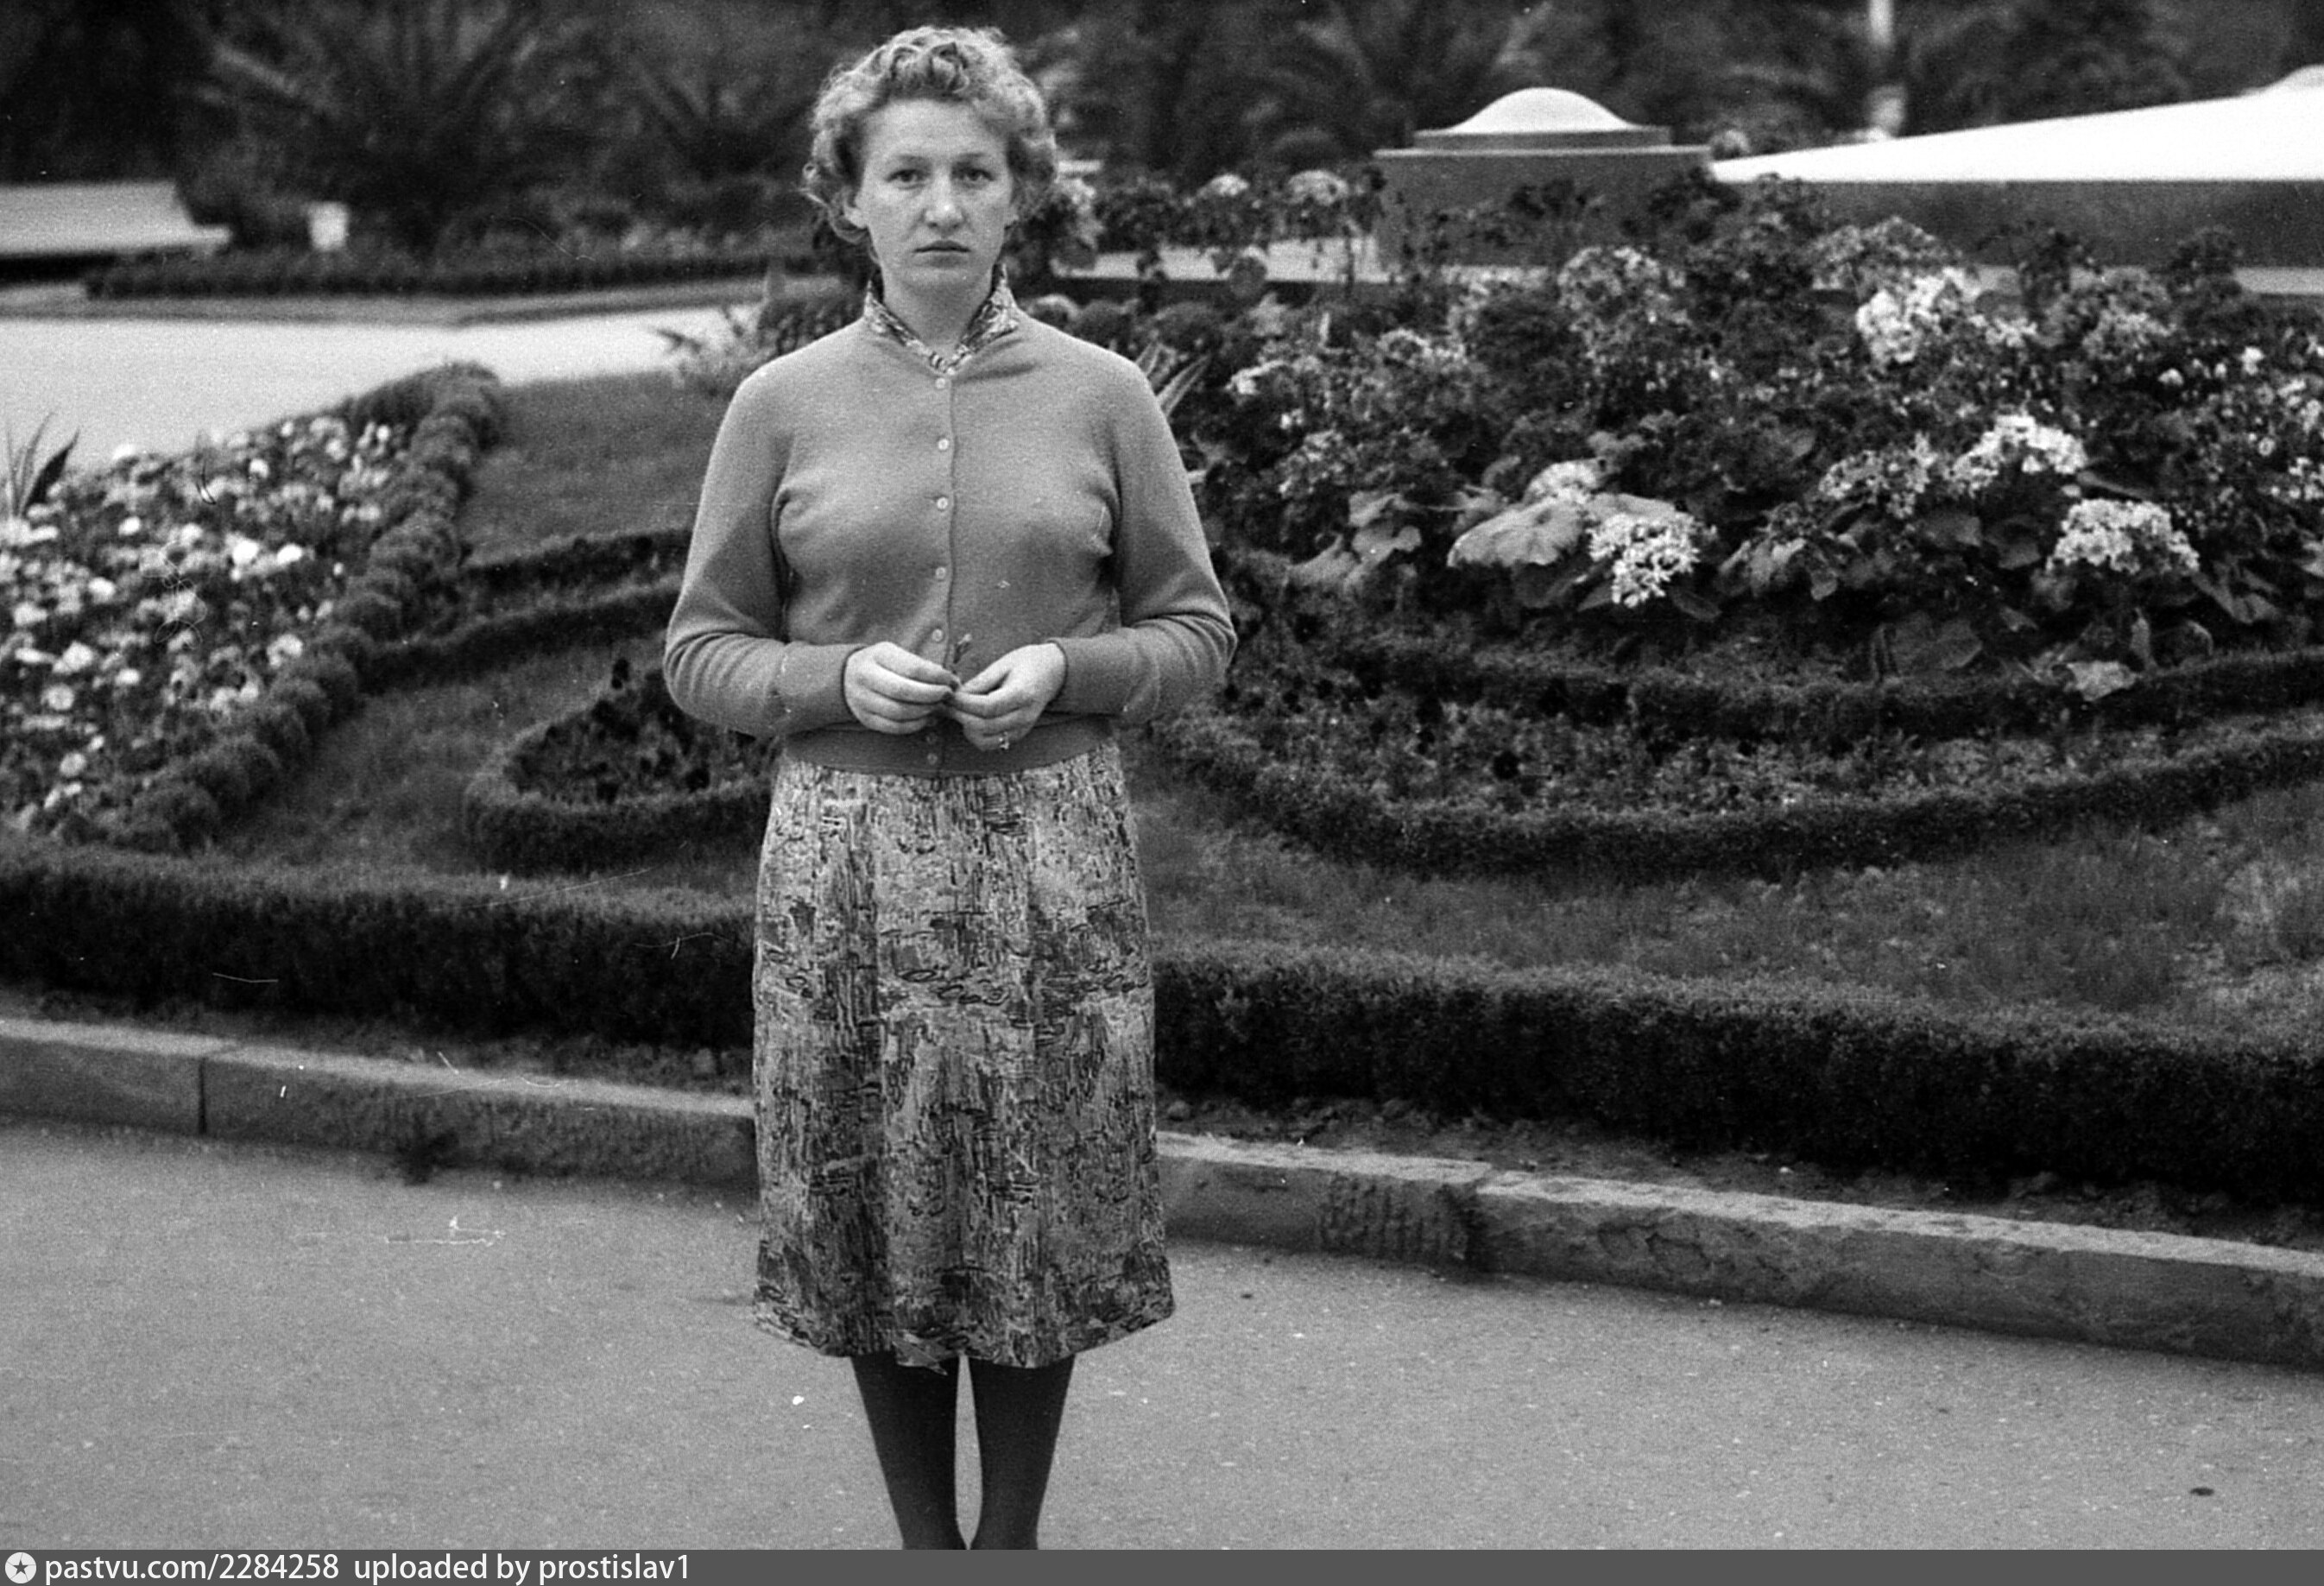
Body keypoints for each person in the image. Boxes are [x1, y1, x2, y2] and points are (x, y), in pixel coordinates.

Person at [662, 25, 1235, 1551]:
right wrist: (825, 682)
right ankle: (926, 1546)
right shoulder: (778, 405)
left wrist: (1070, 668)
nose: (939, 205)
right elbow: (701, 651)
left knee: (1032, 1204)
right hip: (845, 870)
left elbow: (1198, 632)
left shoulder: (1104, 396)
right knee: (879, 1207)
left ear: (1019, 194)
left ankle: (1010, 1542)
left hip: (1050, 861)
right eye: (904, 173)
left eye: (974, 173)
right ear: (846, 198)